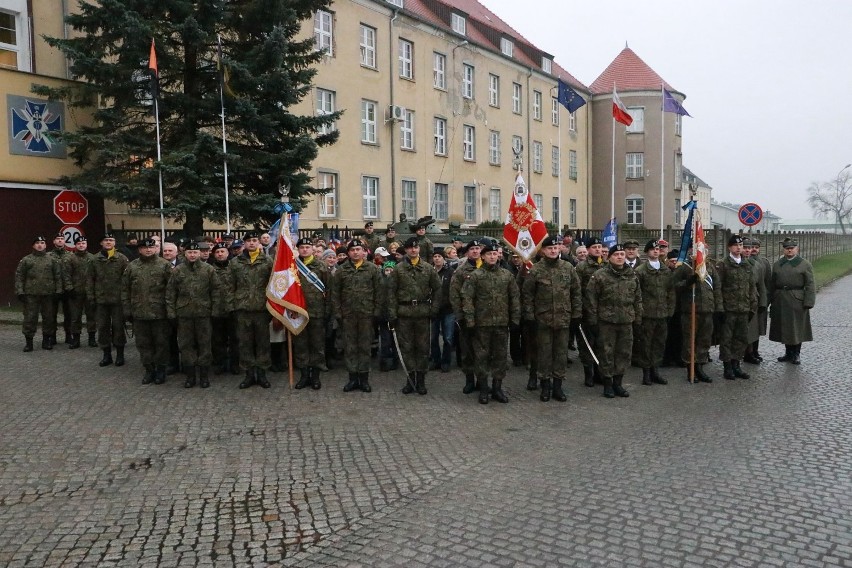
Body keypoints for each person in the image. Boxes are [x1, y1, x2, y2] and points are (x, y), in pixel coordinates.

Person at [522, 235, 582, 402]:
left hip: (563, 319)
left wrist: (576, 314)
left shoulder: (568, 268)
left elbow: (576, 292)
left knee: (561, 354)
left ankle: (558, 386)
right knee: (544, 354)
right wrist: (529, 316)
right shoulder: (536, 270)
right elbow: (528, 295)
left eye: (556, 248)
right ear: (543, 251)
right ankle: (545, 386)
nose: (553, 250)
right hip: (543, 320)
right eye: (550, 248)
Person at [461, 242, 520, 404]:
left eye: (495, 254)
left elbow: (514, 298)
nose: (492, 257)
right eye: (489, 254)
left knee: (500, 357)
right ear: (483, 256)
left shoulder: (506, 275)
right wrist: (470, 321)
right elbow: (467, 299)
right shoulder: (475, 276)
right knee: (481, 357)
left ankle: (497, 387)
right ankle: (484, 388)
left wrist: (515, 319)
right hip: (482, 324)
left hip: (502, 323)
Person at [586, 244, 643, 398]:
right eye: (616, 254)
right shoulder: (599, 275)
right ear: (609, 257)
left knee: (624, 353)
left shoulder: (632, 275)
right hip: (606, 321)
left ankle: (618, 383)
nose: (619, 257)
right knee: (606, 353)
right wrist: (593, 321)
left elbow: (637, 299)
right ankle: (607, 384)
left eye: (622, 254)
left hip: (626, 320)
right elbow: (591, 300)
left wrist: (638, 318)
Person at [389, 237, 442, 395]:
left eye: (416, 247)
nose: (413, 250)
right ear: (405, 250)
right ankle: (410, 378)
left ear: (419, 249)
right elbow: (391, 292)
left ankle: (421, 380)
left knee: (423, 347)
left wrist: (434, 308)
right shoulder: (398, 269)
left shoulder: (428, 268)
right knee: (407, 347)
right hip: (404, 313)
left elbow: (438, 289)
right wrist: (392, 313)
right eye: (410, 248)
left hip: (422, 312)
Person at [330, 239, 382, 393]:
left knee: (365, 347)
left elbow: (379, 293)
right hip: (348, 315)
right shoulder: (341, 270)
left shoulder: (372, 269)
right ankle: (353, 378)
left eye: (358, 249)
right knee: (350, 347)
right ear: (348, 253)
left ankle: (364, 379)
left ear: (364, 251)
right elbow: (335, 294)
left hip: (366, 315)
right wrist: (338, 313)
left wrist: (376, 312)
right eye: (353, 250)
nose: (355, 252)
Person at [122, 237, 172, 384]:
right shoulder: (132, 267)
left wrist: (170, 311)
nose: (148, 250)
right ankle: (149, 370)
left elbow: (172, 290)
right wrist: (127, 309)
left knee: (161, 343)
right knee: (143, 344)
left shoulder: (164, 266)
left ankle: (161, 370)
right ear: (140, 250)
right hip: (139, 313)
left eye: (151, 247)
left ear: (156, 249)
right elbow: (125, 290)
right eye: (145, 248)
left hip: (159, 313)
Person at [167, 241, 217, 388]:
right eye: (190, 252)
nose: (193, 255)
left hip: (204, 314)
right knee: (186, 345)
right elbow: (170, 293)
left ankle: (203, 376)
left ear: (200, 254)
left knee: (205, 344)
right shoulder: (178, 271)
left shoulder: (208, 270)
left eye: (196, 252)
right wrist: (171, 313)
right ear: (185, 254)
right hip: (184, 314)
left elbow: (216, 291)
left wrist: (215, 311)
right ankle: (190, 376)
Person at [229, 231, 274, 389]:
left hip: (262, 309)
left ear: (259, 243)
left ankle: (262, 374)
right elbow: (229, 286)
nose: (252, 243)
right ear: (244, 244)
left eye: (255, 240)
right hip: (242, 309)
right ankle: (248, 374)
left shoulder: (268, 261)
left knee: (262, 342)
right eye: (249, 241)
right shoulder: (235, 262)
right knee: (245, 343)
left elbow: (273, 284)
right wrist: (232, 307)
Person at [673, 247, 720, 383]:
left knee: (704, 340)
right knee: (690, 341)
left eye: (703, 249)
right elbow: (674, 285)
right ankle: (690, 368)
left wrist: (718, 308)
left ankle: (700, 366)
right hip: (690, 310)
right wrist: (689, 281)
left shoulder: (709, 267)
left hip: (707, 309)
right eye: (697, 249)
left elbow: (716, 288)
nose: (700, 252)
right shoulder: (684, 267)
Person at [716, 235, 758, 380]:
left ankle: (736, 365)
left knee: (741, 338)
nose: (739, 248)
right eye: (735, 245)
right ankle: (727, 367)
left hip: (744, 308)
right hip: (729, 309)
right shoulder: (723, 264)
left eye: (740, 245)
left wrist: (753, 305)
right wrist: (720, 308)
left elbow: (751, 287)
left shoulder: (747, 265)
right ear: (729, 247)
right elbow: (718, 287)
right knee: (727, 338)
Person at [292, 238, 331, 390]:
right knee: (301, 345)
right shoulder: (293, 266)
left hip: (317, 311)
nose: (305, 250)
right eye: (302, 247)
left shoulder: (321, 266)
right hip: (299, 312)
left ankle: (315, 376)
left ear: (312, 249)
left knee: (317, 345)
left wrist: (327, 311)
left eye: (308, 247)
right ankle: (303, 376)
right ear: (298, 249)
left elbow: (328, 290)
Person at [634, 240, 675, 386]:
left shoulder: (666, 270)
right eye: (652, 249)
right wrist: (639, 313)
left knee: (659, 343)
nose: (656, 251)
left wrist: (670, 310)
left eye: (657, 249)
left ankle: (655, 371)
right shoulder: (640, 271)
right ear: (647, 252)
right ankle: (646, 373)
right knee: (646, 344)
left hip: (662, 313)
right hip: (647, 314)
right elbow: (636, 293)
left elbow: (671, 292)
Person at [769, 238, 815, 364]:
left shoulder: (804, 264)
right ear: (783, 249)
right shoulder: (778, 264)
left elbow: (810, 284)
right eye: (787, 248)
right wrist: (770, 300)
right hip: (781, 299)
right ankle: (788, 353)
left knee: (796, 327)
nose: (789, 250)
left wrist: (809, 301)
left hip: (797, 300)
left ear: (797, 249)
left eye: (792, 248)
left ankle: (796, 354)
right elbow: (772, 284)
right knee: (784, 327)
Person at [15, 236, 65, 351]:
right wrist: (20, 291)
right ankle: (29, 342)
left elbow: (58, 277)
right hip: (31, 294)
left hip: (48, 295)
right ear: (33, 245)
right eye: (37, 243)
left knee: (48, 318)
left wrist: (58, 291)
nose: (40, 245)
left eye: (42, 243)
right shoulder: (26, 260)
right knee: (30, 318)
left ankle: (46, 341)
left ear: (46, 245)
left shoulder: (52, 260)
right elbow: (19, 276)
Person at [87, 233, 129, 367]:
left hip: (117, 300)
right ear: (101, 243)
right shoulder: (94, 260)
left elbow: (127, 280)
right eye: (106, 240)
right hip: (101, 300)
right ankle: (106, 354)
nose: (109, 242)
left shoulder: (122, 259)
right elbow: (89, 280)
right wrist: (91, 297)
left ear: (115, 243)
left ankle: (120, 355)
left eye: (111, 240)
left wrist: (125, 298)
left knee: (118, 327)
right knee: (103, 327)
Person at [449, 239, 483, 394]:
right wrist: (459, 315)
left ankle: (483, 381)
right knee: (468, 351)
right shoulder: (461, 271)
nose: (475, 251)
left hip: (487, 317)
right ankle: (469, 380)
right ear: (468, 252)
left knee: (484, 351)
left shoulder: (489, 268)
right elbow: (454, 294)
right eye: (472, 249)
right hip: (467, 317)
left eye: (477, 248)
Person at [575, 237, 606, 388]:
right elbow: (576, 290)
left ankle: (599, 373)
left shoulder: (606, 265)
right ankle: (588, 374)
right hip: (587, 312)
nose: (598, 249)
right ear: (588, 250)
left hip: (605, 312)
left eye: (599, 246)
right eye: (594, 247)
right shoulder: (582, 267)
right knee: (587, 345)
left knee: (602, 344)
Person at [210, 243, 239, 375]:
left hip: (232, 309)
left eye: (223, 251)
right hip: (215, 310)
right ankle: (220, 363)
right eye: (217, 252)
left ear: (228, 253)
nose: (220, 254)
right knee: (217, 340)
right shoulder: (209, 269)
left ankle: (235, 364)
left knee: (235, 339)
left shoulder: (235, 268)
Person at [744, 237, 772, 363]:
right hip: (748, 298)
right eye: (750, 247)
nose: (753, 249)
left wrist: (765, 300)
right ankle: (748, 352)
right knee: (750, 328)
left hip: (760, 297)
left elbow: (766, 282)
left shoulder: (764, 262)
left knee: (758, 327)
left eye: (755, 247)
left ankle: (755, 350)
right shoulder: (745, 261)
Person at [67, 236, 97, 348]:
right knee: (75, 317)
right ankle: (76, 339)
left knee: (91, 316)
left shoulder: (93, 258)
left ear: (86, 244)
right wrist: (70, 288)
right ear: (75, 245)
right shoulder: (70, 258)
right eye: (79, 243)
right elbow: (66, 275)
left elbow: (96, 275)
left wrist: (94, 290)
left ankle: (92, 338)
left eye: (83, 243)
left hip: (90, 292)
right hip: (75, 292)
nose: (81, 245)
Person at [429, 251, 456, 373]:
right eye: (435, 256)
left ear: (444, 259)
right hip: (433, 309)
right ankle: (436, 360)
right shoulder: (430, 272)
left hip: (448, 309)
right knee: (433, 337)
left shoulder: (450, 272)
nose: (437, 259)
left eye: (439, 256)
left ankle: (446, 361)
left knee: (448, 337)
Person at [50, 232, 73, 345]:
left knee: (69, 314)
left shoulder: (70, 255)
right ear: (54, 241)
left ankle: (69, 335)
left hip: (67, 289)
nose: (60, 240)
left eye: (61, 238)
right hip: (53, 290)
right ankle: (52, 336)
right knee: (51, 314)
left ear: (65, 241)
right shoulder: (48, 256)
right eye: (57, 238)